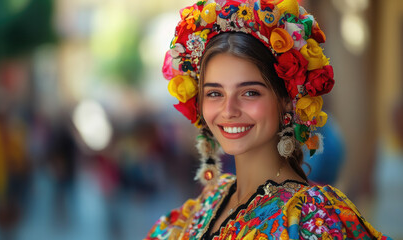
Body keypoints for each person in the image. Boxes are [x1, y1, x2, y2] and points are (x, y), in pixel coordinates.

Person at [146, 0, 391, 239]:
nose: (228, 110)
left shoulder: (311, 219)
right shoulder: (206, 203)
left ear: (286, 99)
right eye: (214, 93)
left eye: (249, 92)